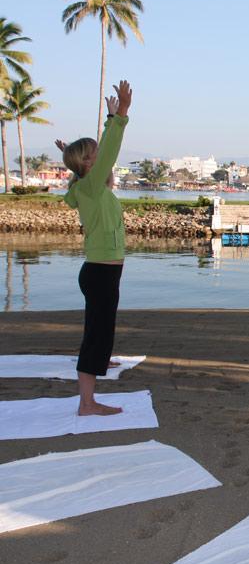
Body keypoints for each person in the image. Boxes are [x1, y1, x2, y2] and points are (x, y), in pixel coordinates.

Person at [57, 80, 133, 417]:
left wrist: (109, 119)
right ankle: (86, 403)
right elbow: (111, 151)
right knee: (95, 337)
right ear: (88, 165)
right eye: (96, 156)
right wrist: (119, 119)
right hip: (101, 272)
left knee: (102, 329)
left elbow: (97, 163)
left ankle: (102, 359)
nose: (103, 159)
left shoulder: (88, 189)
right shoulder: (89, 189)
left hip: (103, 271)